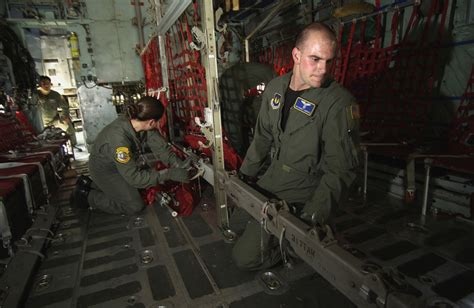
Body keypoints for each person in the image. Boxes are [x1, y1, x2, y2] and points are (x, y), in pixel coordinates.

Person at [232, 22, 361, 270]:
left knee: (244, 259)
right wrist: (244, 176)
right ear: (296, 55)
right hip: (273, 176)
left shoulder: (339, 103)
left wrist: (310, 219)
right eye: (315, 59)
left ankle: (295, 248)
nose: (323, 70)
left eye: (329, 61)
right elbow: (262, 137)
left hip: (306, 188)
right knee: (233, 223)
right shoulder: (275, 88)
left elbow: (341, 170)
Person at [72, 96, 192, 214]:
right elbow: (135, 178)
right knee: (134, 205)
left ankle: (88, 183)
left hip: (117, 165)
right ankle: (86, 196)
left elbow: (160, 147)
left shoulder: (138, 121)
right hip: (105, 170)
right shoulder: (119, 139)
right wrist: (169, 173)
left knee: (140, 186)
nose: (157, 125)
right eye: (158, 122)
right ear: (151, 122)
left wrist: (177, 163)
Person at [36, 75, 77, 146]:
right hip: (40, 123)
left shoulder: (55, 95)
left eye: (48, 83)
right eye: (43, 83)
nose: (46, 85)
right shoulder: (35, 95)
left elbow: (64, 106)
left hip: (54, 120)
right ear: (40, 84)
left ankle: (73, 144)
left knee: (68, 126)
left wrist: (64, 116)